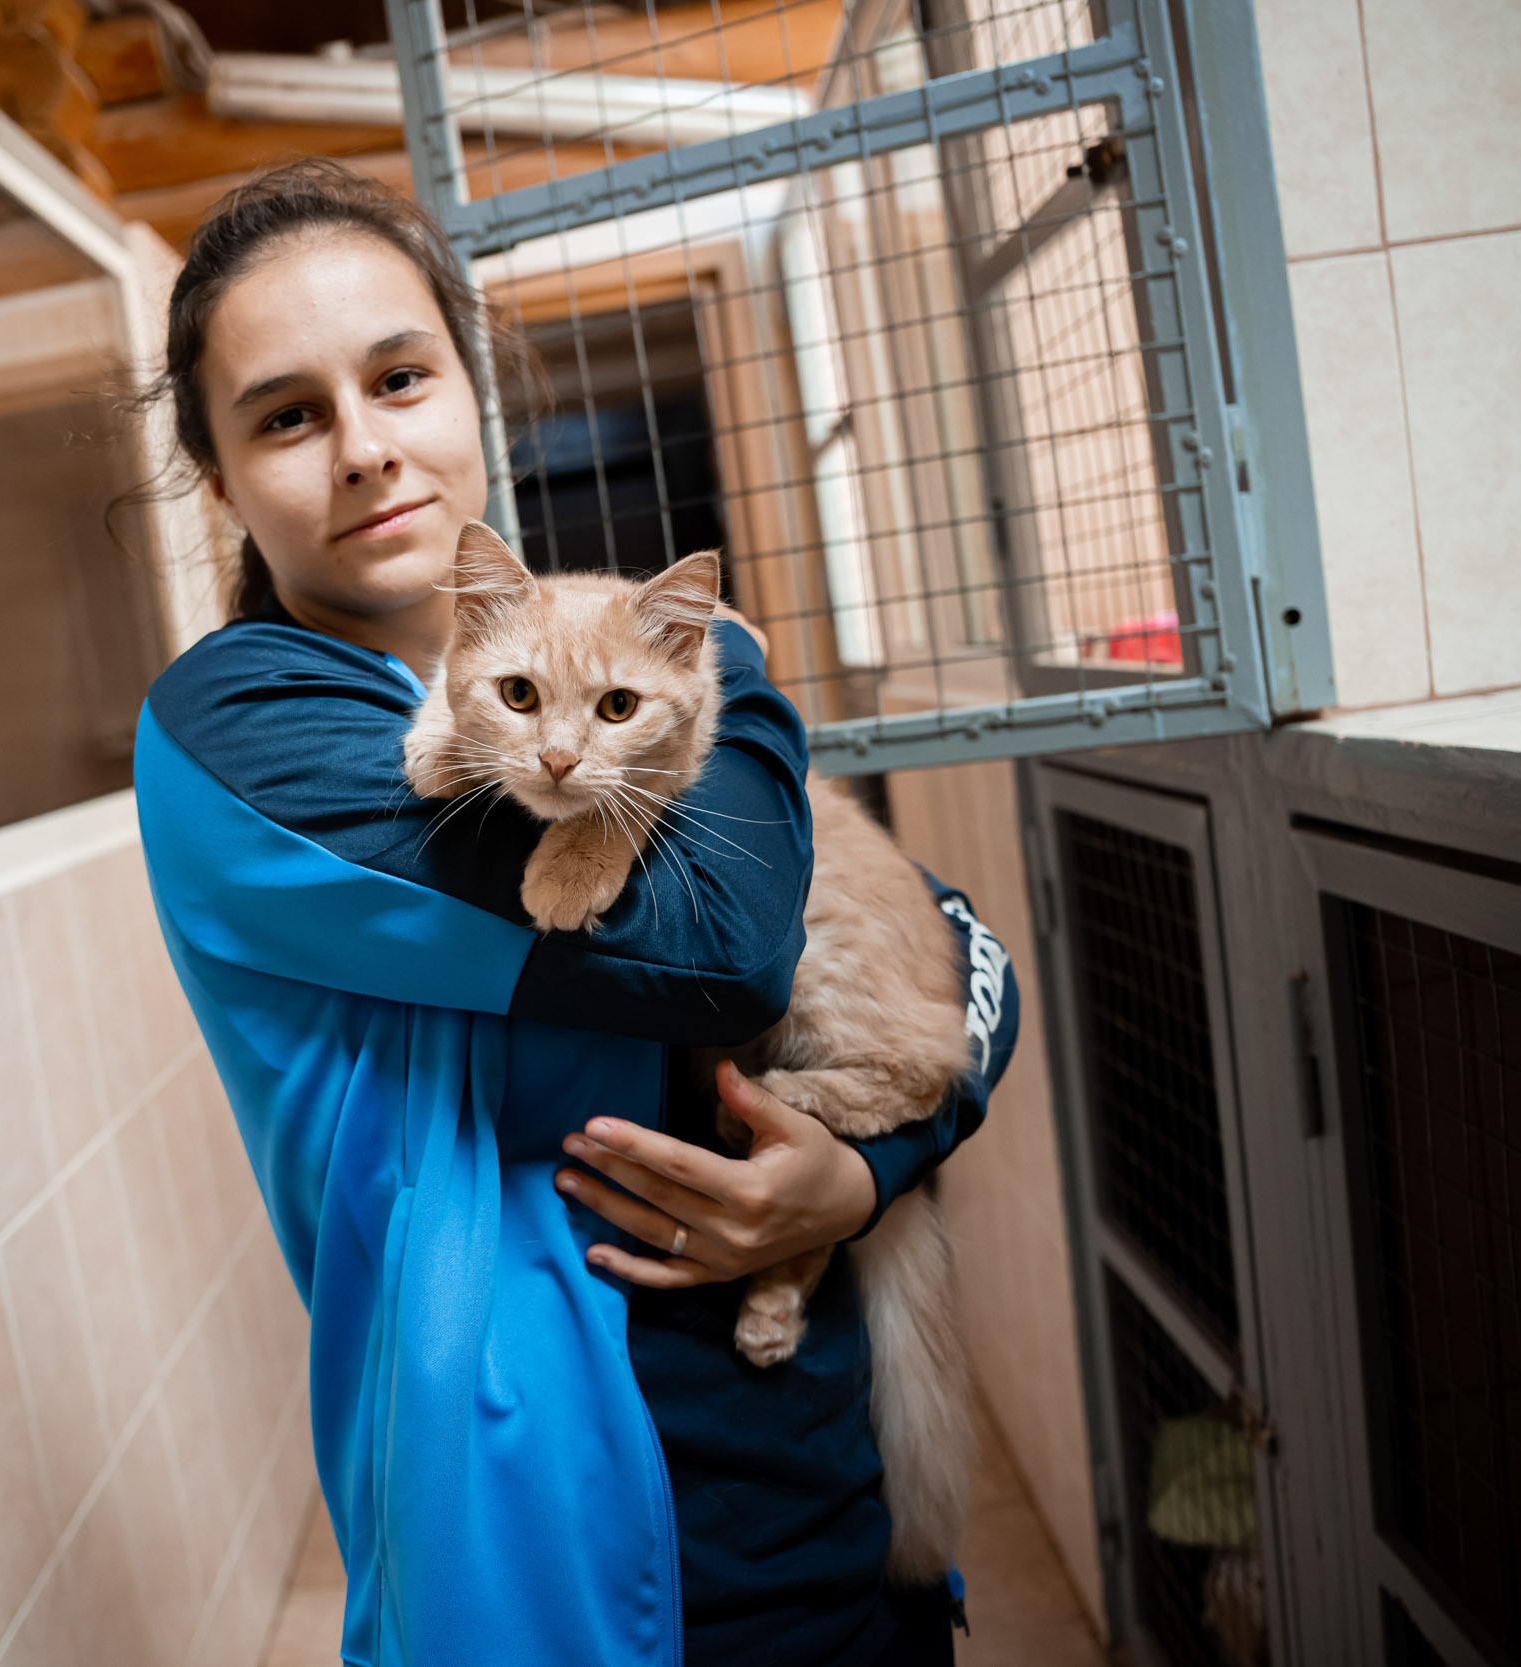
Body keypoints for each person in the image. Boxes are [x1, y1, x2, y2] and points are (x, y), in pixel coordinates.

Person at [132, 160, 1016, 1667]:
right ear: (216, 477)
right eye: (286, 414)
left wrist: (876, 1169)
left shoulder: (583, 658)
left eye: (400, 378)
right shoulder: (245, 724)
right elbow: (728, 949)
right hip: (552, 1540)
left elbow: (960, 947)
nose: (362, 449)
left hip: (812, 1482)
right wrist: (727, 675)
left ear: (470, 397)